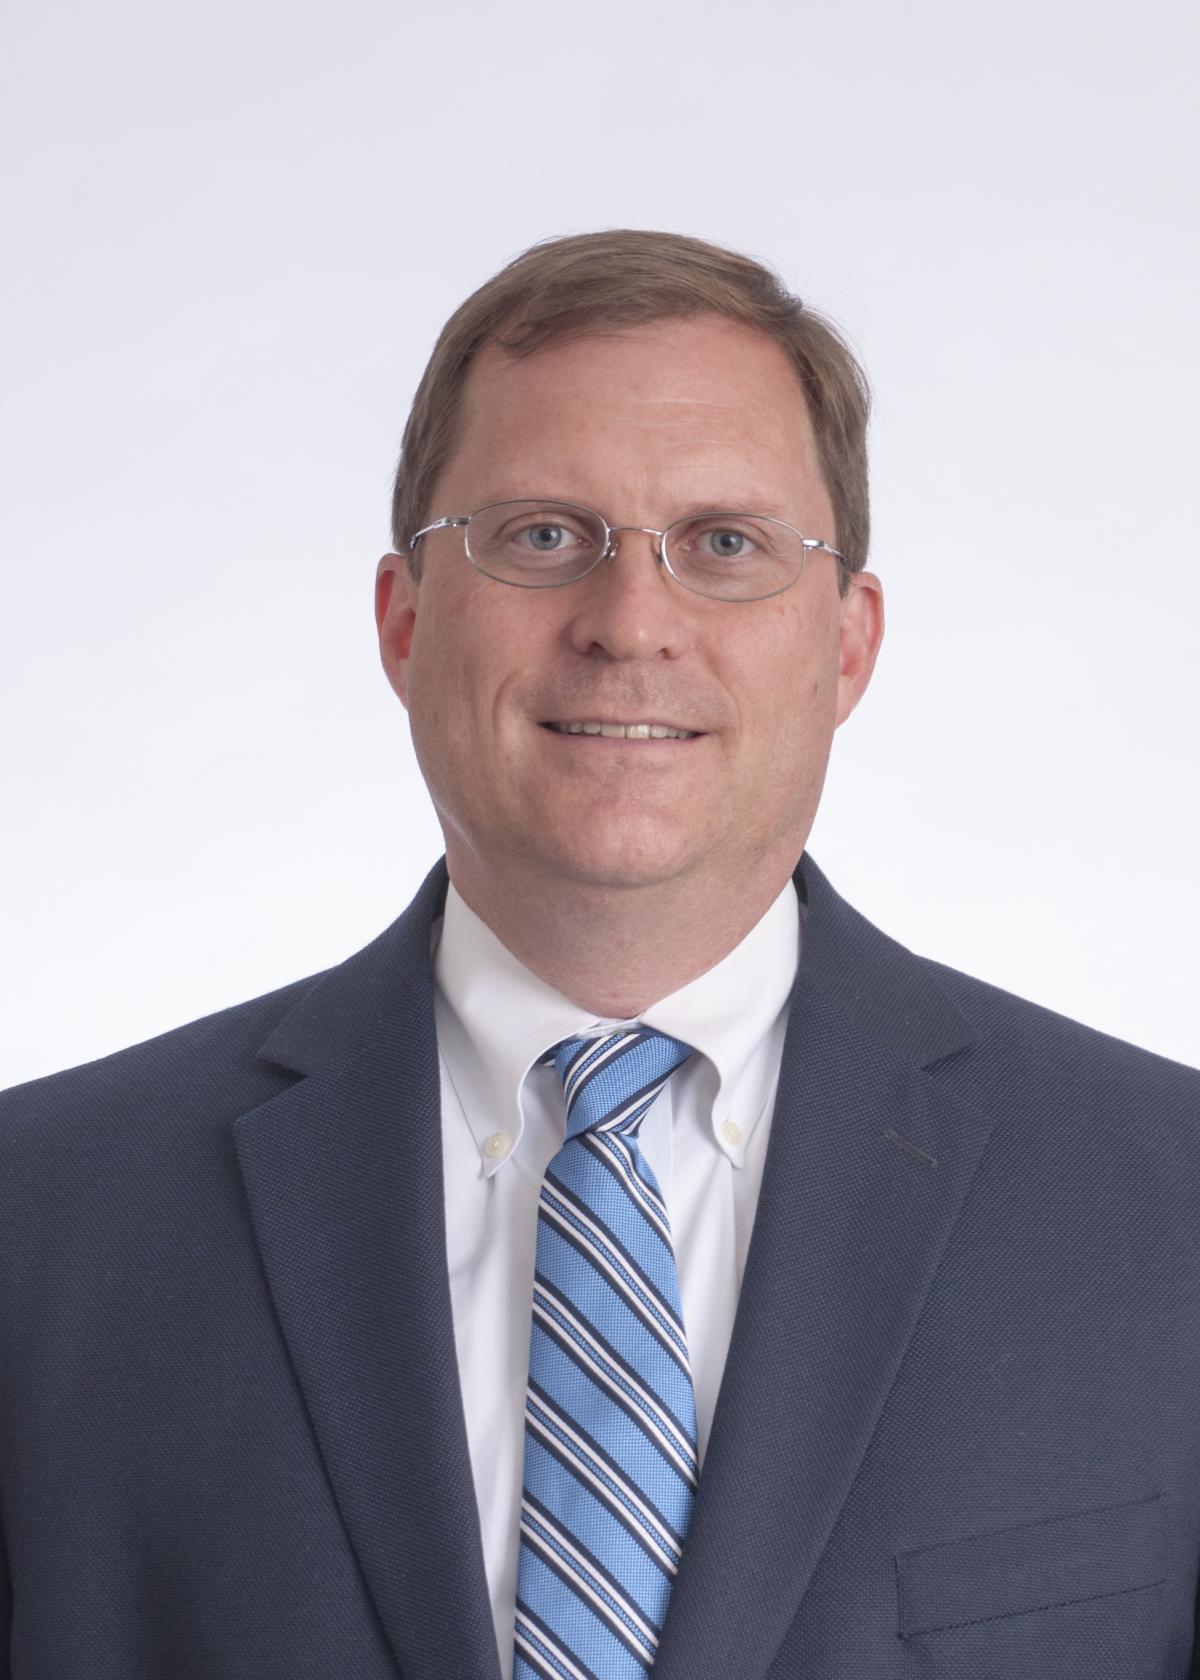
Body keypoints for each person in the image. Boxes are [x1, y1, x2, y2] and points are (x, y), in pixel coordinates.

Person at [1, 228, 1198, 1680]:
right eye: (542, 537)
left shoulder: (1169, 1207)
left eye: (727, 544)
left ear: (848, 645)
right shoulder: (40, 1220)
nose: (632, 625)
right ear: (403, 623)